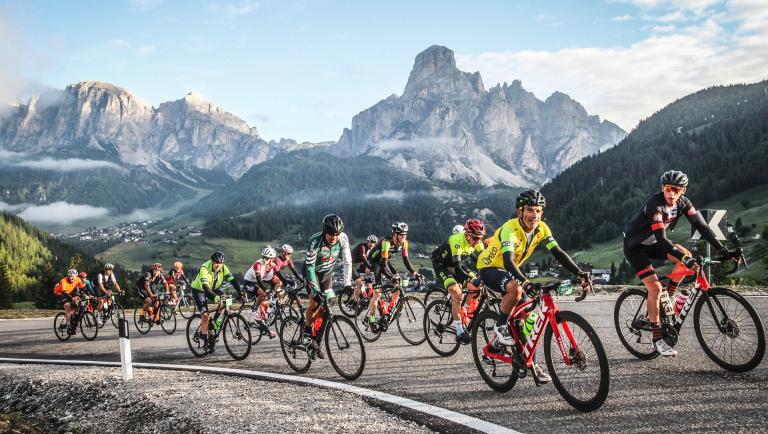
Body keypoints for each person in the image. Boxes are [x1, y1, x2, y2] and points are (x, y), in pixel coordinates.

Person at [476, 190, 589, 383]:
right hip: (490, 267)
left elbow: (558, 253)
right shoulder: (509, 229)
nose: (535, 215)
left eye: (538, 211)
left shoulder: (542, 228)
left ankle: (531, 364)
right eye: (530, 210)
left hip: (510, 270)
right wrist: (526, 282)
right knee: (516, 289)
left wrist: (579, 273)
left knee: (528, 320)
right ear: (519, 212)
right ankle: (500, 325)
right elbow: (509, 261)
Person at [623, 170, 740, 357]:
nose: (671, 193)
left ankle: (669, 298)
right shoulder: (655, 205)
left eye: (676, 190)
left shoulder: (684, 203)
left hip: (653, 244)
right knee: (655, 288)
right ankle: (657, 339)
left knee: (685, 255)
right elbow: (662, 239)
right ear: (663, 188)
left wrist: (723, 251)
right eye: (668, 189)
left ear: (683, 191)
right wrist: (686, 259)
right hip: (635, 247)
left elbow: (702, 226)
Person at [302, 214, 352, 359]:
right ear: (325, 231)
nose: (334, 237)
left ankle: (316, 338)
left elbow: (347, 262)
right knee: (315, 301)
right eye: (331, 234)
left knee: (328, 304)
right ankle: (306, 331)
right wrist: (315, 289)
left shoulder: (343, 238)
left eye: (337, 234)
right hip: (311, 272)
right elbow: (310, 266)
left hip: (327, 274)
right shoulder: (315, 241)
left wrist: (347, 284)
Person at [431, 219, 486, 342]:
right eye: (475, 238)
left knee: (477, 287)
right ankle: (459, 331)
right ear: (467, 235)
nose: (478, 242)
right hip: (443, 266)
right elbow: (457, 267)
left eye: (480, 238)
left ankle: (464, 310)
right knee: (457, 294)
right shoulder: (456, 240)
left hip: (457, 265)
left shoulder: (478, 241)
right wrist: (470, 279)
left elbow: (483, 259)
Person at [365, 222, 422, 327]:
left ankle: (390, 309)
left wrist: (414, 272)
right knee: (377, 293)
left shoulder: (404, 243)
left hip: (385, 261)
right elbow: (383, 264)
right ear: (394, 234)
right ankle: (371, 318)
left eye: (405, 234)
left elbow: (405, 260)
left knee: (398, 282)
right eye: (400, 234)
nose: (403, 237)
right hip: (374, 263)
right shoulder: (386, 243)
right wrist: (391, 277)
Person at [190, 251, 244, 353]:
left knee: (224, 304)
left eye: (220, 263)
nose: (218, 265)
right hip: (199, 290)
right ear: (212, 261)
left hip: (213, 288)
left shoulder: (223, 267)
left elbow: (232, 280)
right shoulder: (204, 268)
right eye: (216, 262)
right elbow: (205, 288)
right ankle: (205, 342)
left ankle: (213, 325)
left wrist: (240, 292)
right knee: (205, 315)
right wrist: (215, 298)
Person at [243, 246, 279, 338]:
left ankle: (264, 326)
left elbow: (279, 276)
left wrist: (287, 283)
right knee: (263, 294)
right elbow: (259, 280)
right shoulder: (258, 264)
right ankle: (255, 313)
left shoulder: (273, 265)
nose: (265, 259)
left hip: (258, 283)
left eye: (267, 258)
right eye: (264, 257)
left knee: (267, 301)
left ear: (272, 259)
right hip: (249, 283)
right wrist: (266, 290)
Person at [350, 235, 377, 306]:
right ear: (367, 241)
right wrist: (370, 266)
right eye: (371, 242)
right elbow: (364, 258)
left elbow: (372, 260)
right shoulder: (362, 246)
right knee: (360, 284)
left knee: (370, 272)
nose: (372, 244)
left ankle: (368, 290)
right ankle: (355, 301)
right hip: (351, 266)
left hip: (359, 265)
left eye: (374, 243)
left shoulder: (371, 250)